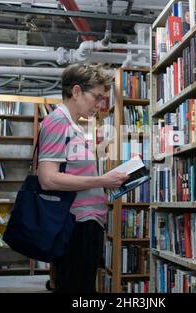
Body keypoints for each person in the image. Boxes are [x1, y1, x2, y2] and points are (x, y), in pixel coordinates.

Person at [37, 63, 129, 293]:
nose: (99, 105)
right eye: (97, 97)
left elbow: (73, 173)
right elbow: (47, 179)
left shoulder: (73, 125)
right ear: (76, 91)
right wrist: (101, 181)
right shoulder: (58, 122)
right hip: (76, 225)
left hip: (86, 223)